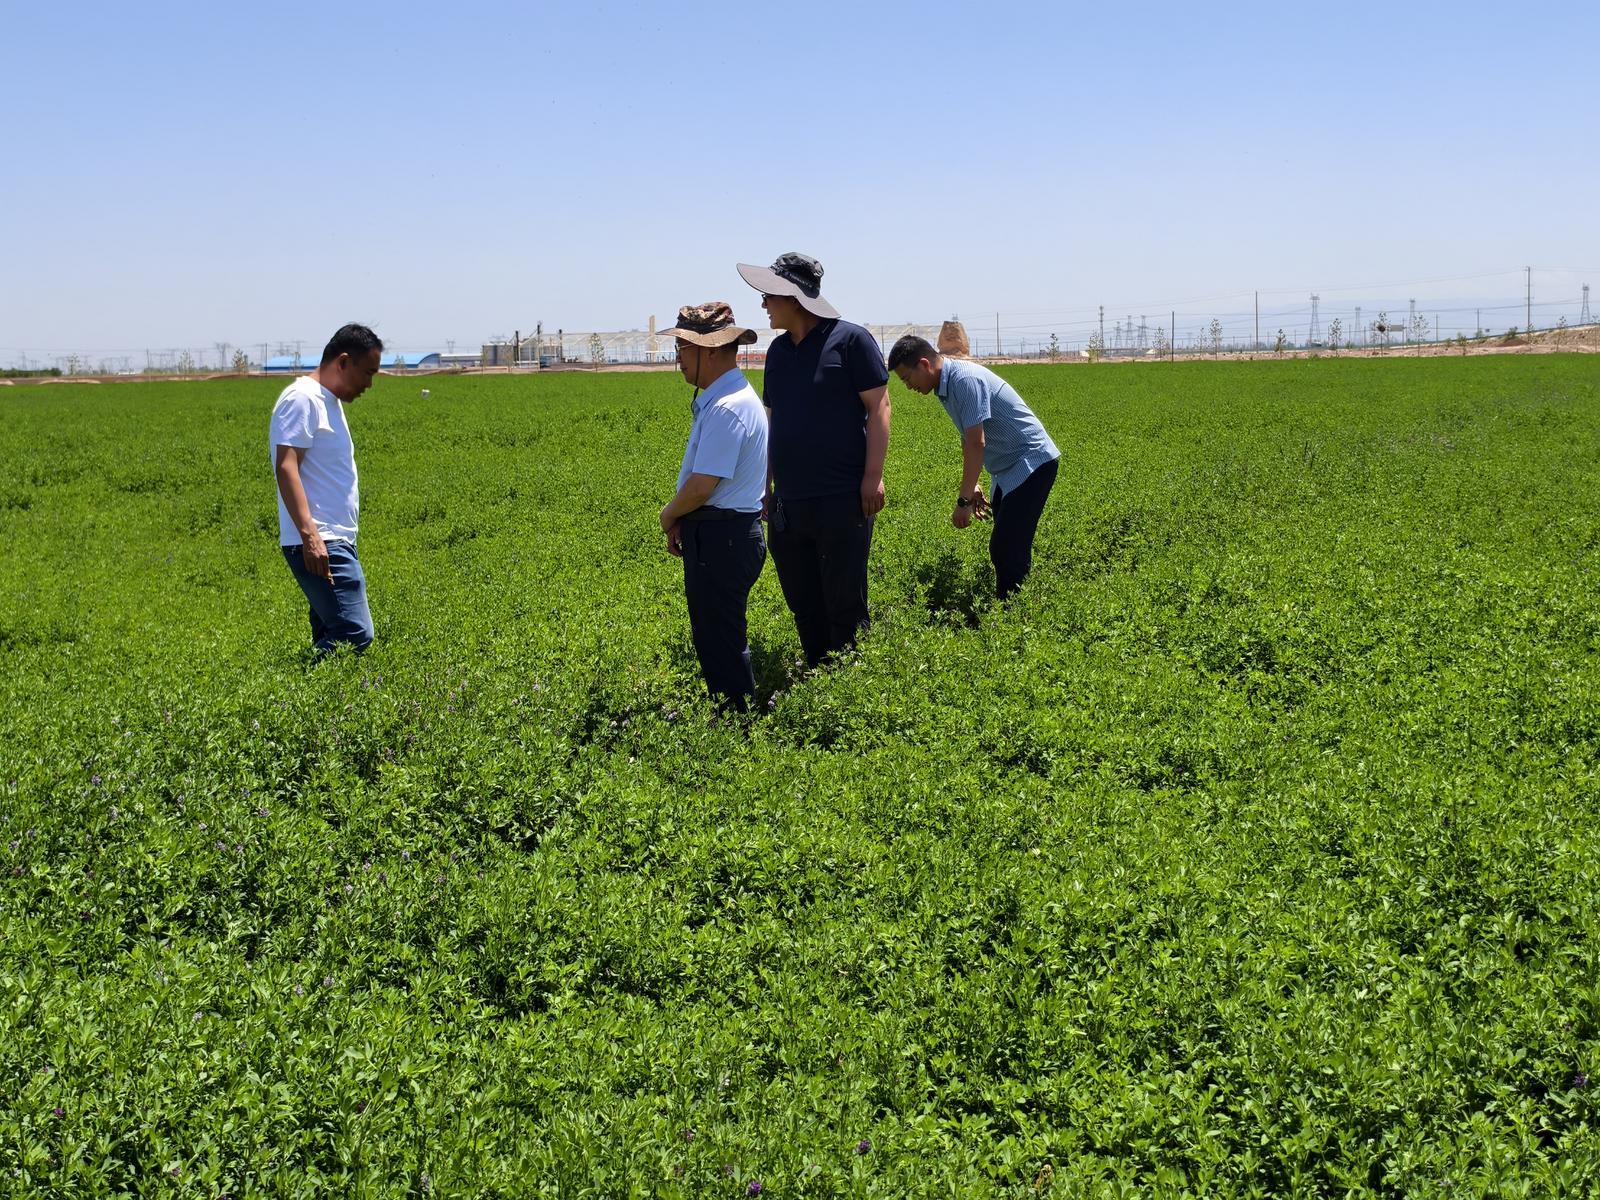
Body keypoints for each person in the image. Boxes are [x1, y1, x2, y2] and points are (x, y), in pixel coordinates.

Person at [736, 252, 890, 667]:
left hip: (842, 497)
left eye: (769, 295)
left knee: (844, 599)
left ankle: (850, 685)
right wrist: (765, 488)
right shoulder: (780, 353)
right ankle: (819, 676)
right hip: (790, 502)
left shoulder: (851, 341)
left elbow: (879, 408)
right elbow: (774, 420)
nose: (763, 304)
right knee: (803, 599)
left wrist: (872, 477)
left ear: (793, 297)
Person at [887, 335, 1060, 599]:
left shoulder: (964, 380)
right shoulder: (946, 386)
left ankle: (1013, 613)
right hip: (1007, 468)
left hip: (1031, 462)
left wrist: (964, 499)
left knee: (1005, 547)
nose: (909, 386)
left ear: (924, 364)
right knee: (1010, 545)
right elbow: (969, 437)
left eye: (907, 379)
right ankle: (1018, 603)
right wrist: (974, 482)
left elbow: (976, 443)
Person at [657, 302, 769, 710]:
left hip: (724, 539)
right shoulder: (727, 399)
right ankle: (731, 716)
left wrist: (669, 514)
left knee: (720, 640)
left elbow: (703, 485)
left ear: (708, 350)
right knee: (716, 635)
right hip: (724, 536)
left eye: (682, 350)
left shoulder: (727, 408)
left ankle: (735, 726)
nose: (678, 360)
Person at [269, 323, 383, 653]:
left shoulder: (326, 401)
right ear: (344, 362)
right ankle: (303, 697)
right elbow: (286, 466)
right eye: (367, 373)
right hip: (321, 541)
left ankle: (321, 700)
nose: (369, 384)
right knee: (355, 634)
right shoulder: (302, 399)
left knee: (331, 636)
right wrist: (311, 536)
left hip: (332, 538)